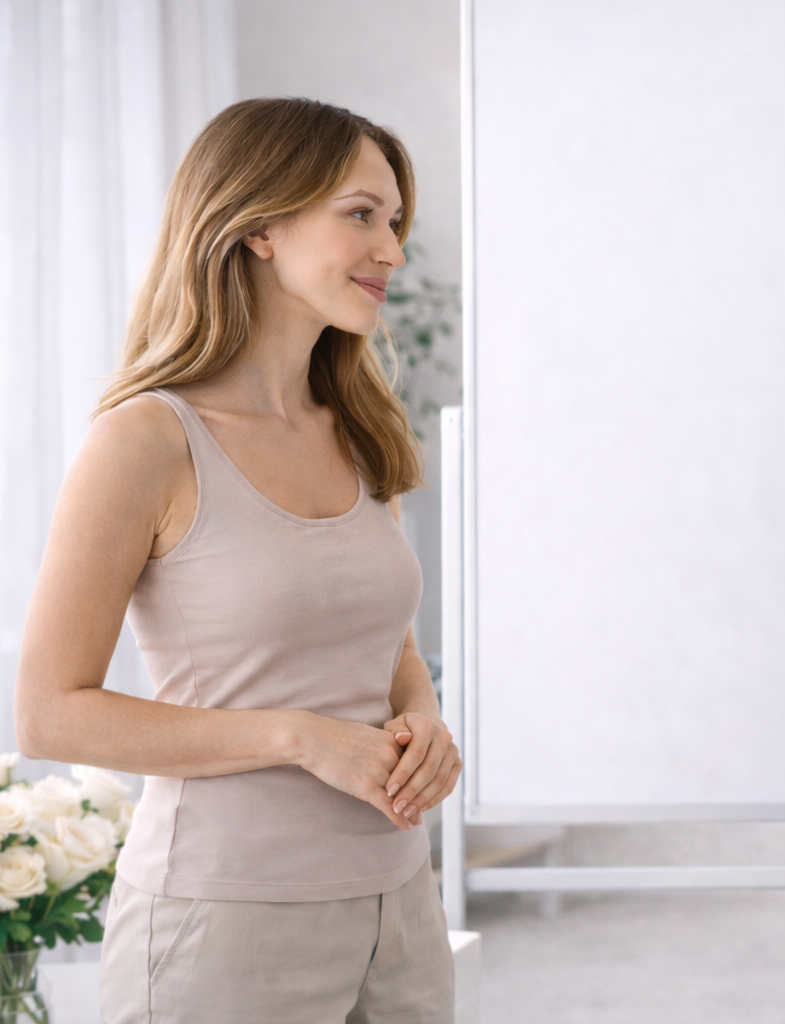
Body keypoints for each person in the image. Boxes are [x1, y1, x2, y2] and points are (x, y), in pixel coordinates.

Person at [14, 98, 460, 1022]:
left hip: (402, 908)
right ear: (259, 223)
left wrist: (425, 717)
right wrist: (296, 735)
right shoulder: (144, 442)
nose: (392, 251)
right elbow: (51, 715)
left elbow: (386, 644)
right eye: (362, 215)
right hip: (221, 924)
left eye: (396, 223)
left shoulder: (360, 427)